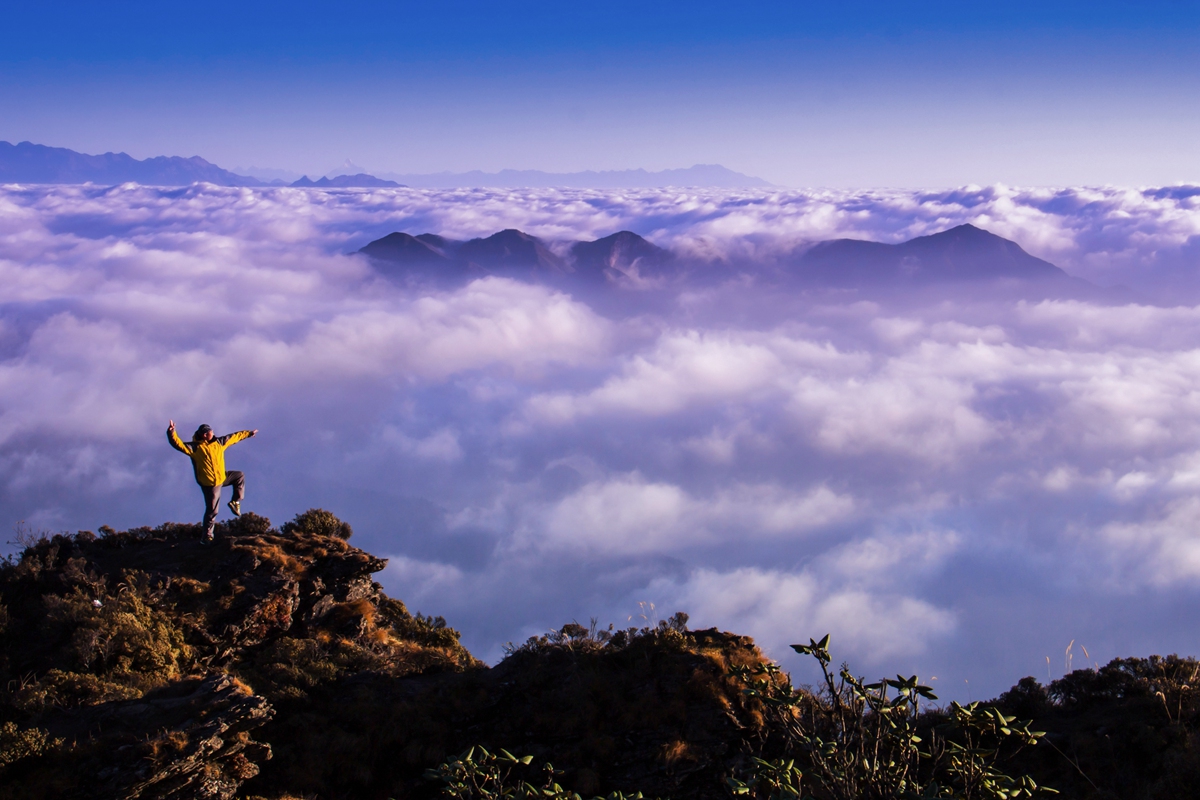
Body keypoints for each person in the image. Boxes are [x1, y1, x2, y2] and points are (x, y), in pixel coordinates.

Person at [167, 420, 258, 540]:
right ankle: (207, 536)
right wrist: (172, 432)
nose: (213, 433)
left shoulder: (219, 442)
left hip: (222, 477)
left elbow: (234, 437)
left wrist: (248, 433)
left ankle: (235, 501)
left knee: (239, 476)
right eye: (211, 431)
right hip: (209, 484)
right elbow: (178, 444)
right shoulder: (195, 448)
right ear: (205, 435)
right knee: (212, 511)